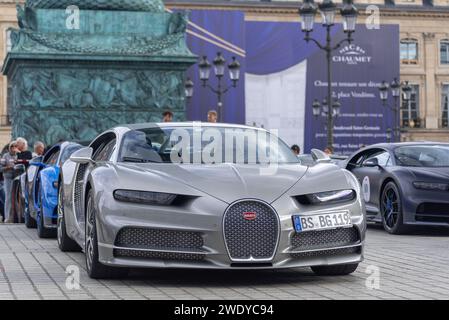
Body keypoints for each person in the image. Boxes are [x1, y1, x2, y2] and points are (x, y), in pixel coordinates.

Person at [1, 141, 18, 223]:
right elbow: (0, 168)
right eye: (12, 146)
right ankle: (7, 217)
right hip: (8, 178)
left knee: (16, 198)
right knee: (8, 197)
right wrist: (8, 167)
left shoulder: (18, 155)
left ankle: (14, 217)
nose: (13, 148)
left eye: (15, 146)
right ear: (9, 148)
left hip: (17, 178)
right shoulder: (5, 156)